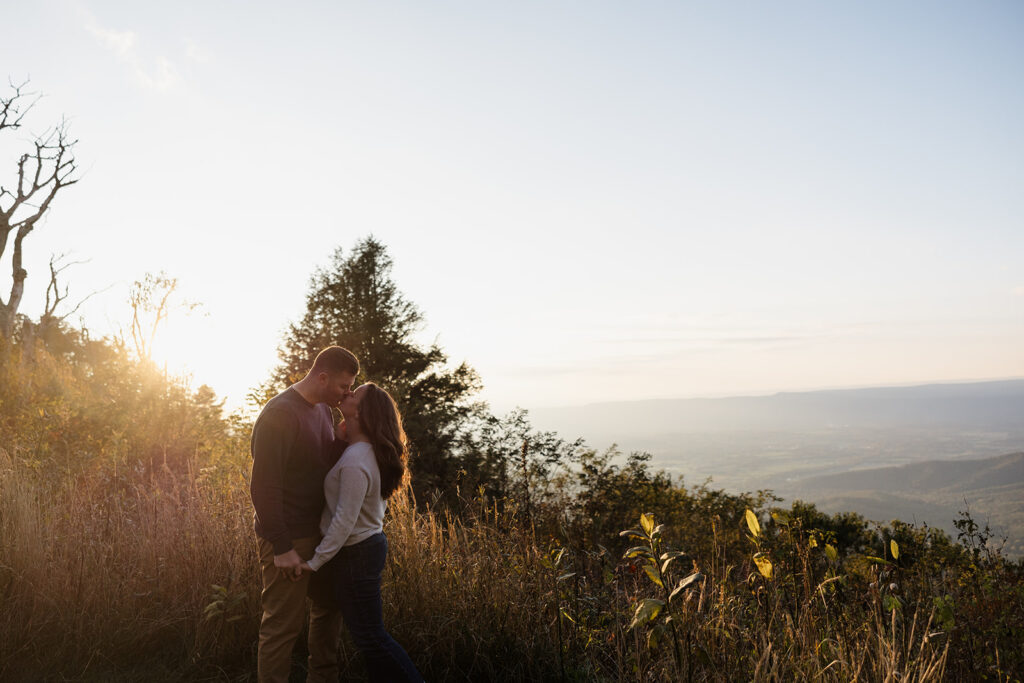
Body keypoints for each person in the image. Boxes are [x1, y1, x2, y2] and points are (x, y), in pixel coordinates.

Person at [250, 345, 358, 683]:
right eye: (343, 386)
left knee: (328, 613)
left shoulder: (322, 411)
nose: (347, 393)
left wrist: (341, 442)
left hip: (322, 532)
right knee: (282, 626)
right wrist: (282, 547)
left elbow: (320, 466)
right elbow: (264, 487)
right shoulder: (278, 414)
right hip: (290, 536)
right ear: (322, 377)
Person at [301, 382, 423, 683]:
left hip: (357, 553)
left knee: (371, 637)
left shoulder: (357, 461)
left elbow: (344, 520)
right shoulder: (361, 451)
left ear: (363, 411)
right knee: (367, 636)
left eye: (355, 394)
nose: (347, 393)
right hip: (362, 549)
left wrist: (315, 561)